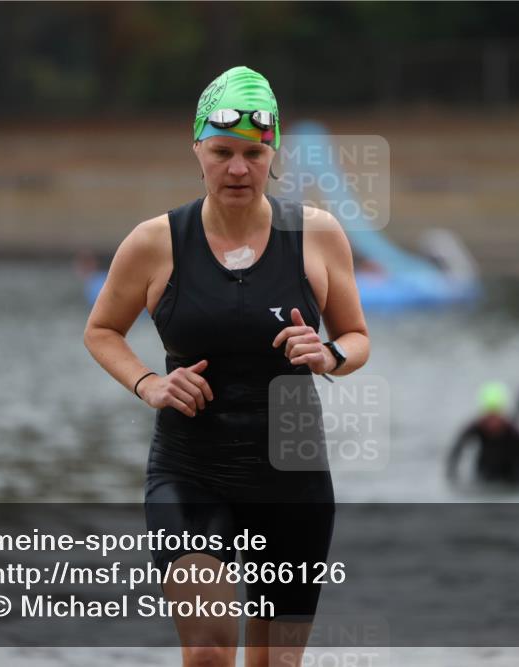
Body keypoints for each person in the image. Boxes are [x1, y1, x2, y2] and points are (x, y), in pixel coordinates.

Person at [83, 66, 369, 667]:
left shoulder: (316, 234)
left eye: (252, 153)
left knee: (276, 663)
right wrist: (150, 383)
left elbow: (356, 337)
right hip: (191, 469)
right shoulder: (154, 242)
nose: (237, 168)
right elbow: (102, 330)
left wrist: (330, 355)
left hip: (292, 476)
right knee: (212, 648)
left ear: (273, 155)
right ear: (197, 151)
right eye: (221, 152)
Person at [447, 382, 519, 485]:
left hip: (511, 477)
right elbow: (457, 450)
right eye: (489, 415)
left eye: (496, 415)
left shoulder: (516, 432)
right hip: (485, 475)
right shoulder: (476, 427)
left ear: (502, 413)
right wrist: (453, 475)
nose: (492, 422)